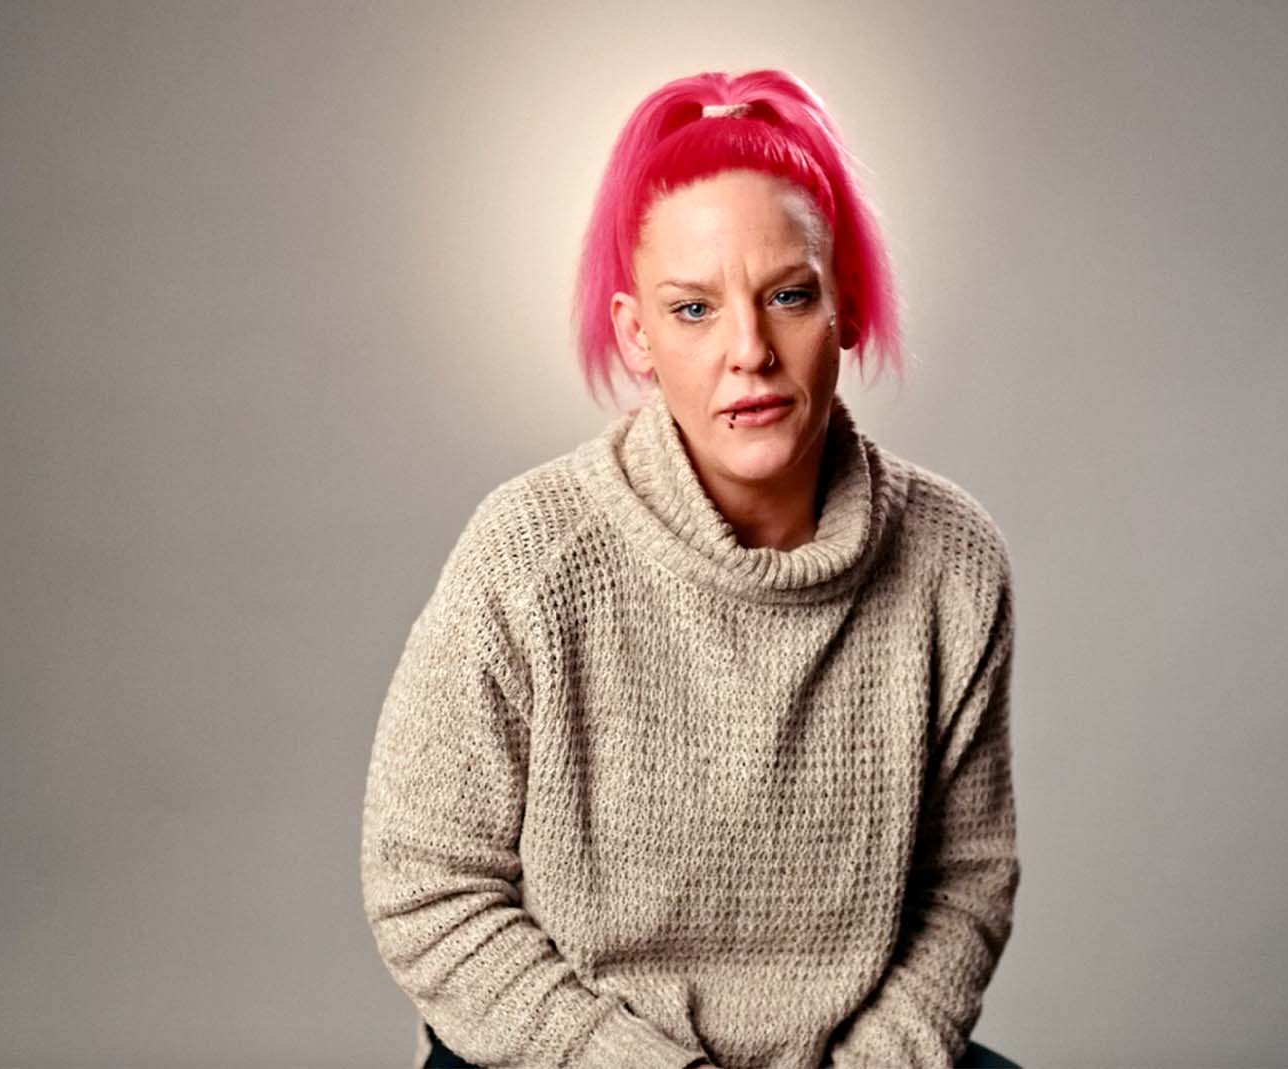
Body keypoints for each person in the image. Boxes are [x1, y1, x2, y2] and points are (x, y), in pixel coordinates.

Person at [360, 68, 1021, 1069]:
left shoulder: (949, 561)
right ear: (638, 335)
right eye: (693, 309)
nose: (749, 350)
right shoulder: (532, 553)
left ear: (842, 307)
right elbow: (426, 888)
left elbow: (965, 884)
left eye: (787, 296)